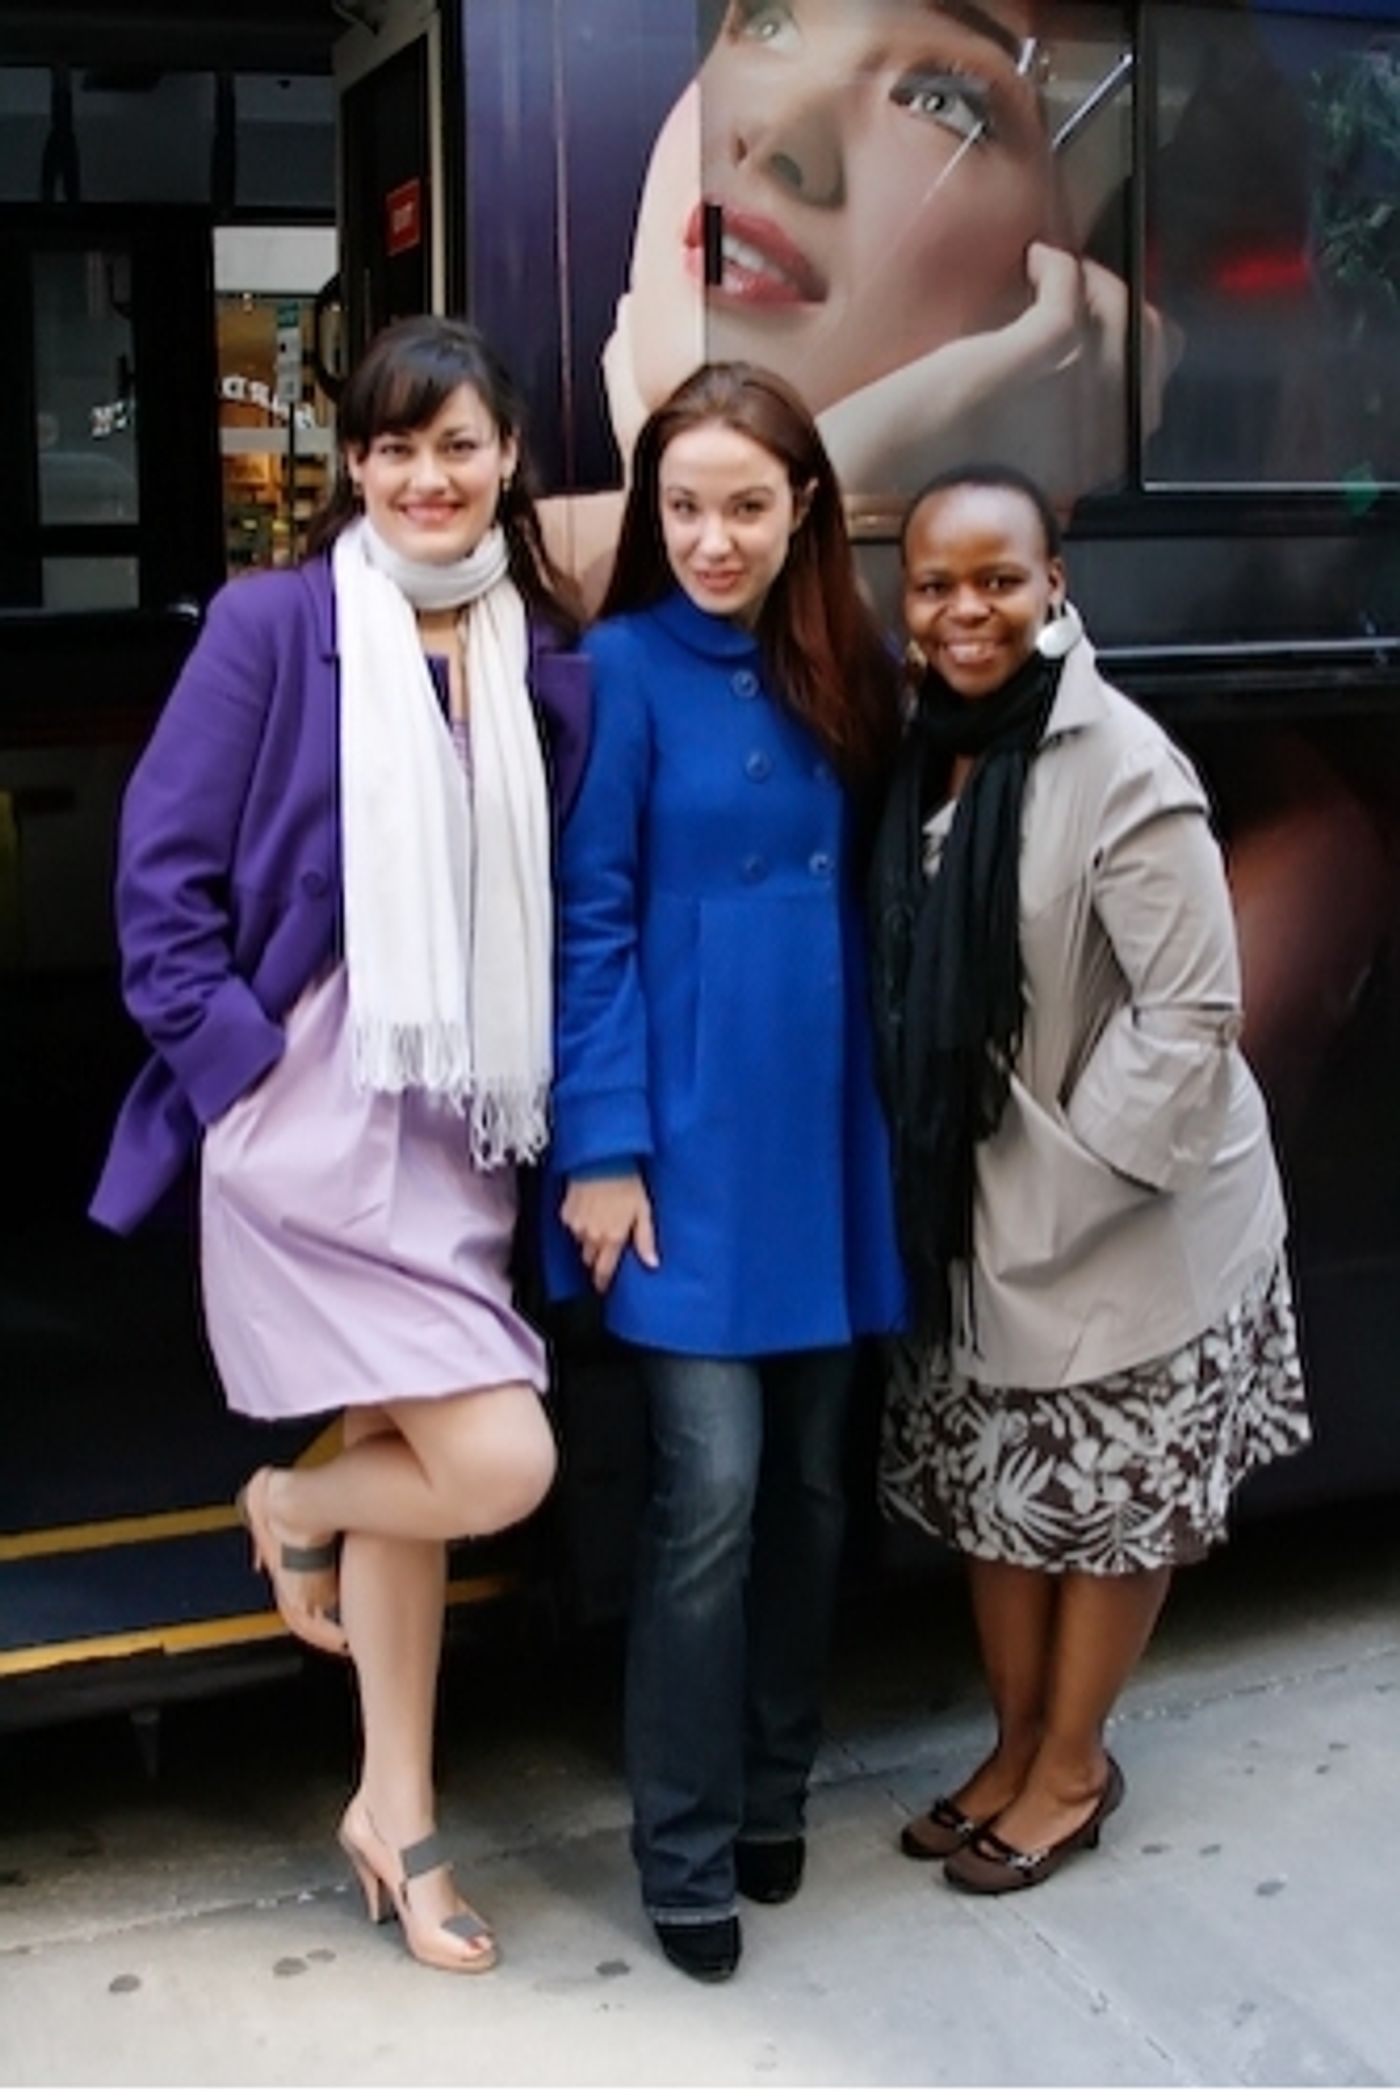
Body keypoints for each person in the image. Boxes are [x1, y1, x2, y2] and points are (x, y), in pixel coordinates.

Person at [89, 316, 589, 1974]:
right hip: (308, 1112)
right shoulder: (275, 622)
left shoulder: (542, 653)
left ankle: (396, 1806)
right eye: (391, 447)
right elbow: (159, 880)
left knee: (420, 1484)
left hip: (460, 1120)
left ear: (507, 458)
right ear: (352, 465)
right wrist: (241, 1072)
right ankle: (285, 1494)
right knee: (498, 1459)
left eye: (457, 444)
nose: (425, 477)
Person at [869, 465, 1310, 1894]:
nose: (967, 611)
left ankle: (1070, 1767)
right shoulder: (926, 745)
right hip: (978, 1210)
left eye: (999, 580)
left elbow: (1191, 1012)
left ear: (1054, 584)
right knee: (999, 1497)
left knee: (1109, 1509)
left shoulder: (1121, 762)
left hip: (1125, 1216)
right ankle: (1013, 1747)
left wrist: (1069, 1183)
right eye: (936, 584)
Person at [547, 361, 905, 1981]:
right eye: (684, 506)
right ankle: (683, 1844)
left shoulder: (851, 661)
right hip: (680, 1147)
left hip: (827, 1136)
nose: (711, 537)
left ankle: (775, 1786)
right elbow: (591, 922)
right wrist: (604, 1147)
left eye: (746, 505)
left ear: (803, 507)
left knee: (819, 1494)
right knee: (710, 1493)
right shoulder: (617, 668)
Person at [548, 0, 1171, 594]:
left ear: (1054, 285)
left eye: (941, 103)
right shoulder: (519, 574)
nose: (778, 135)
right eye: (768, 23)